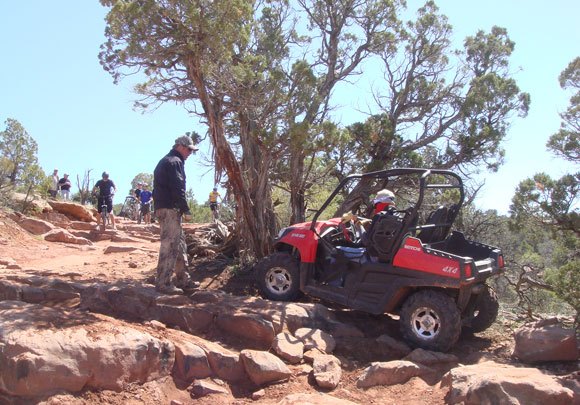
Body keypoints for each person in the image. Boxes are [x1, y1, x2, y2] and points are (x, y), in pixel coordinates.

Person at [153, 135, 200, 295]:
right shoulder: (174, 162)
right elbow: (177, 186)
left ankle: (183, 279)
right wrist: (185, 208)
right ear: (180, 146)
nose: (189, 153)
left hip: (165, 207)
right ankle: (163, 283)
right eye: (189, 150)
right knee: (170, 245)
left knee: (179, 244)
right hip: (170, 209)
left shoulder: (168, 161)